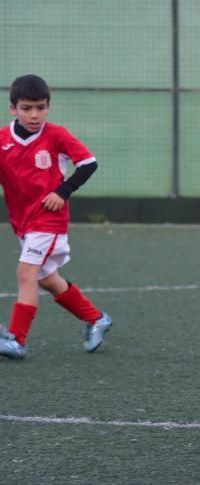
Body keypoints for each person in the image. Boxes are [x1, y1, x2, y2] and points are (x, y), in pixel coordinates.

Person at [0, 74, 112, 360]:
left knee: (26, 273)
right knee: (48, 279)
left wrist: (62, 192)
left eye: (41, 107)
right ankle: (96, 318)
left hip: (49, 220)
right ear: (13, 108)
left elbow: (89, 163)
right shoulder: (3, 140)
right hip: (22, 222)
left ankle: (16, 340)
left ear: (48, 106)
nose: (35, 114)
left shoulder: (56, 135)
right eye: (27, 108)